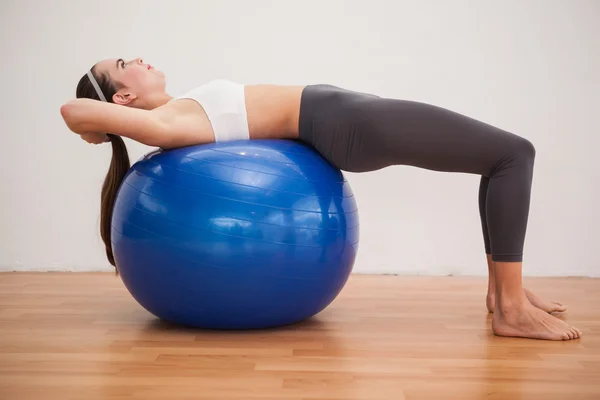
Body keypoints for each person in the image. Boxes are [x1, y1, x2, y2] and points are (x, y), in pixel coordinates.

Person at [60, 57, 581, 341]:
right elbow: (73, 110)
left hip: (346, 115)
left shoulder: (171, 115)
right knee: (513, 154)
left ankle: (502, 294)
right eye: (126, 64)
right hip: (347, 123)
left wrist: (106, 126)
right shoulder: (164, 125)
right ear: (122, 98)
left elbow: (87, 113)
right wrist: (101, 128)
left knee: (501, 157)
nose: (141, 60)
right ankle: (510, 308)